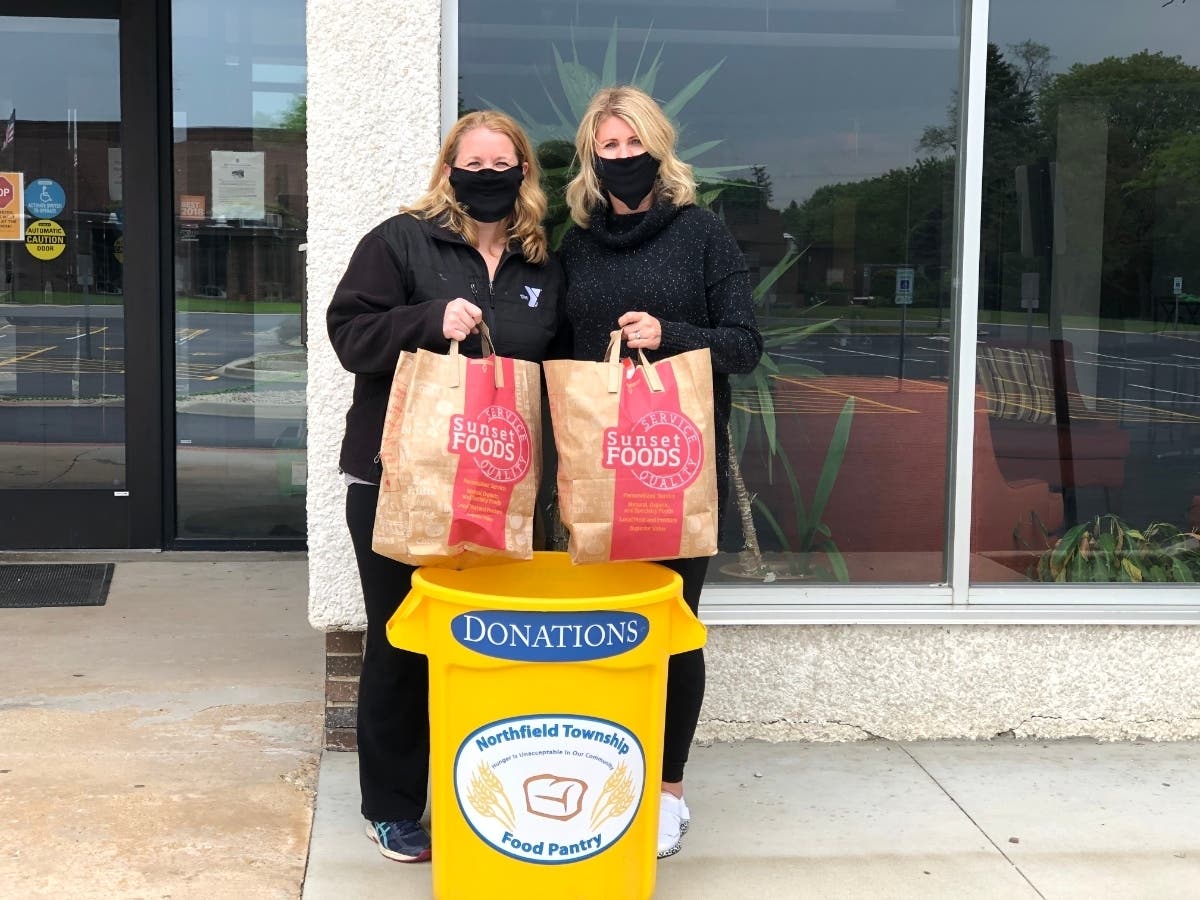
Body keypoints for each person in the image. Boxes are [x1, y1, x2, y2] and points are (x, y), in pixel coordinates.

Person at [327, 110, 564, 863]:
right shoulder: (399, 240)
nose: (488, 175)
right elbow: (348, 336)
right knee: (403, 640)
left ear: (524, 173)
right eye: (475, 162)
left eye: (504, 163)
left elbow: (555, 367)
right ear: (449, 167)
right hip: (399, 479)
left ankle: (483, 789)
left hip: (499, 485)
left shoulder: (542, 261)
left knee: (484, 645)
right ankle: (394, 806)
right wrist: (428, 319)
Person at [558, 85, 763, 859]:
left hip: (676, 467)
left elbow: (744, 343)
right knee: (599, 627)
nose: (622, 158)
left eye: (632, 143)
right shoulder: (576, 244)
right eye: (607, 148)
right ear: (591, 158)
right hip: (596, 466)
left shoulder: (701, 233)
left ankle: (667, 790)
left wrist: (667, 332)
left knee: (669, 627)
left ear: (658, 147)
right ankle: (606, 766)